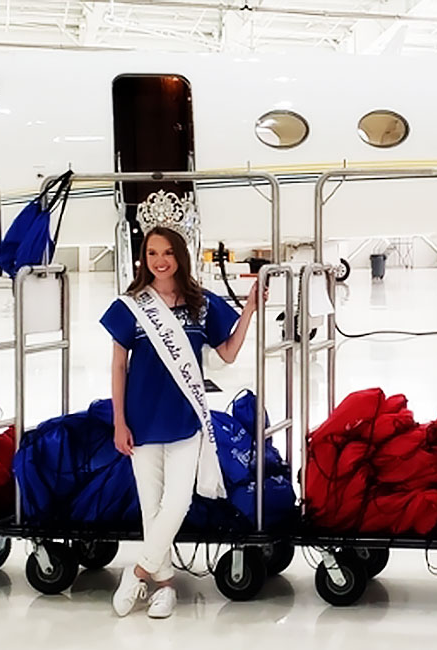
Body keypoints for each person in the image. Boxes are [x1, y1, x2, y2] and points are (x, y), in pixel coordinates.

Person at [100, 225, 262, 618]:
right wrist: (119, 421)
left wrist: (251, 310)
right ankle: (165, 587)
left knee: (178, 501)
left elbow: (226, 354)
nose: (160, 260)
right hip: (140, 421)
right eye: (152, 253)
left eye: (167, 252)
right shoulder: (132, 305)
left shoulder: (200, 303)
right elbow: (119, 365)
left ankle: (137, 573)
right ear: (144, 258)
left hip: (186, 418)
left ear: (180, 256)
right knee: (150, 508)